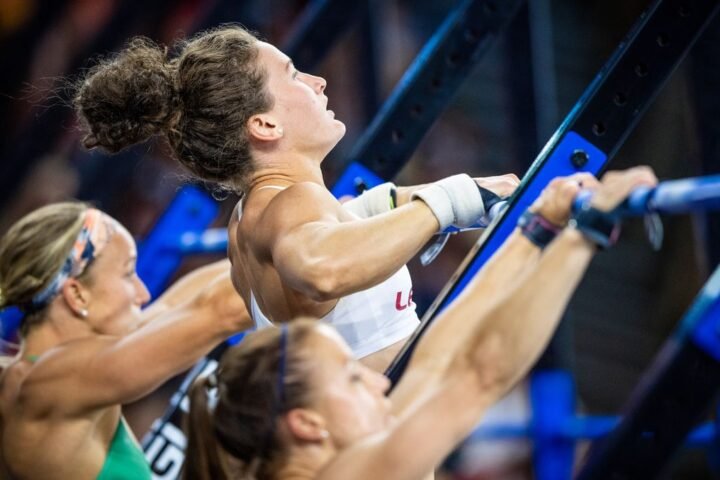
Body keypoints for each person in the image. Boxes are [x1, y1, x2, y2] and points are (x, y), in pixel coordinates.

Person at [72, 25, 520, 370]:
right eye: (292, 74)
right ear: (265, 125)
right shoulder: (292, 202)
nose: (319, 80)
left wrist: (457, 197)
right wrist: (450, 199)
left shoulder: (253, 217)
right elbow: (320, 268)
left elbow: (334, 230)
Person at [182, 167, 658, 480]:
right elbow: (476, 375)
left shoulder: (356, 454)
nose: (378, 386)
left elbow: (435, 361)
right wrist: (586, 233)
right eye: (352, 379)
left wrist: (537, 230)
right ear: (307, 424)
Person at [0, 202, 250, 479]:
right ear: (78, 295)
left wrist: (251, 247)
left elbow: (171, 309)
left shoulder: (50, 370)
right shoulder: (52, 384)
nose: (143, 293)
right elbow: (222, 312)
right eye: (129, 272)